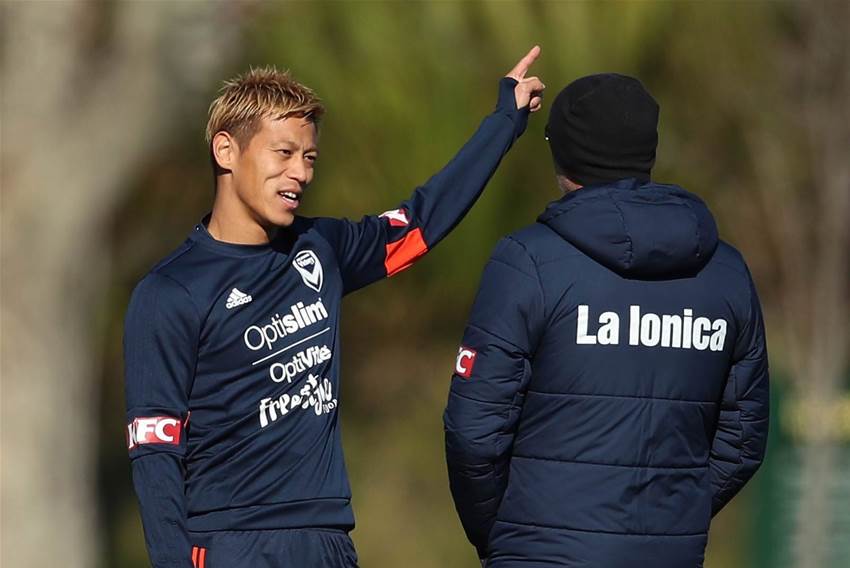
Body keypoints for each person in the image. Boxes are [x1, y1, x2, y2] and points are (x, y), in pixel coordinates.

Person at [124, 49, 544, 568]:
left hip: (327, 540)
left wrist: (504, 122)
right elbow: (155, 449)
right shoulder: (168, 292)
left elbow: (419, 224)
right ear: (226, 150)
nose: (300, 173)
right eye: (283, 153)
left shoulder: (323, 247)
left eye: (309, 158)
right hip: (230, 541)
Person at [444, 73, 769, 568]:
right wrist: (671, 518)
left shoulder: (526, 262)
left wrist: (506, 535)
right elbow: (743, 439)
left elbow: (474, 431)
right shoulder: (726, 273)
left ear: (565, 154)